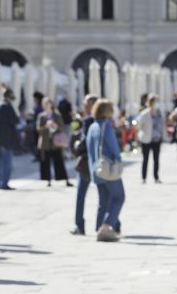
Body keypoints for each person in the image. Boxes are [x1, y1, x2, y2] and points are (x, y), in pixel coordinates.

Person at [86, 99, 123, 242]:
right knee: (119, 197)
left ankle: (99, 228)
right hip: (108, 168)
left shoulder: (92, 126)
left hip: (95, 168)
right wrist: (119, 161)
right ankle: (106, 226)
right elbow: (113, 146)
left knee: (104, 200)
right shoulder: (106, 126)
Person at [70, 94, 98, 235]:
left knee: (81, 194)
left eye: (86, 103)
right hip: (99, 161)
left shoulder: (88, 121)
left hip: (86, 161)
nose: (83, 106)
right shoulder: (103, 121)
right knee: (105, 193)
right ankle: (113, 223)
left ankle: (79, 225)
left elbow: (85, 142)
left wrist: (76, 145)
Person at [36, 99, 71, 187]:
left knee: (59, 161)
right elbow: (38, 130)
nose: (47, 105)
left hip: (56, 142)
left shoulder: (57, 115)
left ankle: (65, 179)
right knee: (46, 162)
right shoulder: (41, 116)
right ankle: (48, 179)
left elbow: (62, 127)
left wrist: (55, 126)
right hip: (45, 143)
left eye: (49, 104)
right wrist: (46, 126)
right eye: (46, 104)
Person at [0, 89, 21, 190]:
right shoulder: (7, 106)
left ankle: (0, 182)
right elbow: (16, 120)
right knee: (6, 163)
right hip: (6, 139)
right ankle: (4, 183)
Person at [135, 94, 163, 184]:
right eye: (156, 102)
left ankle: (156, 177)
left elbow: (162, 124)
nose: (157, 104)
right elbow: (138, 125)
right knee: (145, 159)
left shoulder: (159, 112)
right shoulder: (144, 113)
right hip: (146, 139)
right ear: (151, 103)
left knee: (156, 159)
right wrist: (140, 135)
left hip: (157, 139)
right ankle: (143, 178)